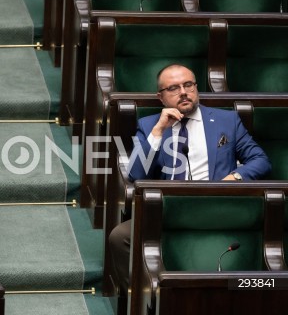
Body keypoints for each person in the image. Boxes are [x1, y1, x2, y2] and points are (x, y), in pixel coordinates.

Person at [108, 64, 271, 296]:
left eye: (188, 85)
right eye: (173, 88)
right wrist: (158, 131)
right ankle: (148, 301)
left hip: (219, 207)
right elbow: (136, 175)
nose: (183, 92)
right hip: (169, 212)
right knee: (119, 237)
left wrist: (234, 177)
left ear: (196, 88)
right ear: (161, 97)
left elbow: (260, 160)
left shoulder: (226, 120)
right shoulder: (148, 125)